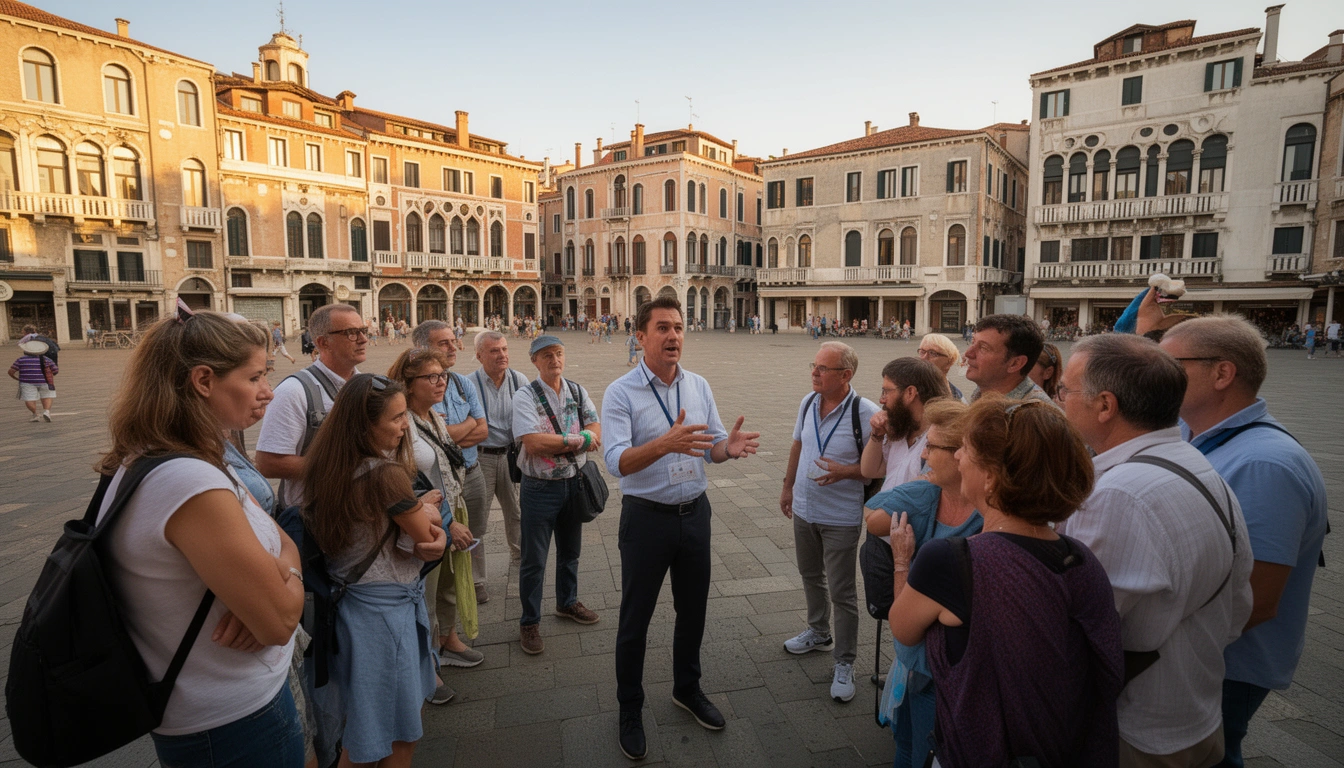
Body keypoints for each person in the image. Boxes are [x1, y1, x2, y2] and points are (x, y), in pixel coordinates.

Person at [96, 310, 305, 767]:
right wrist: (287, 574)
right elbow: (279, 621)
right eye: (255, 377)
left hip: (228, 706)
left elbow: (277, 541)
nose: (268, 391)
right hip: (231, 721)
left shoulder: (182, 456)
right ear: (204, 380)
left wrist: (272, 578)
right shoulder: (188, 480)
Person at [888, 396, 1123, 767]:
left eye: (966, 449)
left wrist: (902, 562)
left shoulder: (951, 561)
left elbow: (903, 630)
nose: (958, 456)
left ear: (992, 476)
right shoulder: (1081, 558)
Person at [1056, 333, 1253, 767]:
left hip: (1135, 731)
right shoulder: (1199, 466)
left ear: (1105, 406)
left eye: (1064, 390)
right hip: (1193, 713)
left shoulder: (1119, 493)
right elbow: (1239, 608)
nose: (1060, 400)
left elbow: (1079, 630)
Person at [1159, 317, 1328, 768]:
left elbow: (1256, 599)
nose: (1157, 376)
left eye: (1171, 365)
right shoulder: (1193, 434)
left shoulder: (1263, 464)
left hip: (1221, 665)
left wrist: (1155, 649)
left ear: (1222, 373)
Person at [602, 296, 760, 759]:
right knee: (635, 620)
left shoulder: (698, 385)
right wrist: (663, 443)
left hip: (695, 514)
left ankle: (686, 688)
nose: (673, 336)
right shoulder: (621, 392)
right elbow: (615, 461)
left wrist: (727, 449)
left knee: (693, 611)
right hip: (646, 519)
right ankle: (629, 707)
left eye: (678, 327)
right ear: (640, 336)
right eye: (663, 328)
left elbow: (711, 445)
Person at [302, 373, 447, 768]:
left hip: (351, 608)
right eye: (397, 418)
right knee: (399, 733)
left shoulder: (327, 465)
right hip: (385, 616)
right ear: (364, 425)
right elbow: (426, 536)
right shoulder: (386, 475)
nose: (405, 427)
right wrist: (428, 510)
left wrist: (418, 510)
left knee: (365, 727)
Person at [863, 399, 982, 768]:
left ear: (963, 455)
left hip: (945, 673)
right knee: (903, 743)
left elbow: (904, 624)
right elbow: (873, 517)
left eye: (932, 447)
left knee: (926, 753)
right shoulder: (929, 493)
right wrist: (920, 483)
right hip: (913, 663)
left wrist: (902, 561)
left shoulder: (987, 520)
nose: (924, 455)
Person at [780, 342, 881, 703]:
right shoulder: (808, 402)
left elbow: (878, 468)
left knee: (842, 591)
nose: (814, 372)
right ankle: (818, 632)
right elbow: (797, 445)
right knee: (810, 575)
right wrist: (787, 486)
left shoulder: (866, 413)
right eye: (814, 365)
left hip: (840, 516)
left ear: (845, 375)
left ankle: (845, 661)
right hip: (805, 508)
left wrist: (846, 471)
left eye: (823, 368)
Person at [388, 348, 481, 688]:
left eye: (443, 375)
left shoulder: (434, 416)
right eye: (431, 377)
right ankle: (426, 666)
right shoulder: (403, 424)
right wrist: (447, 521)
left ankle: (447, 639)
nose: (441, 382)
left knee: (449, 584)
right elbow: (403, 482)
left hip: (451, 507)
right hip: (426, 519)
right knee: (425, 591)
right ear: (409, 383)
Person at [511, 335, 602, 655]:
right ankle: (529, 621)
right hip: (539, 487)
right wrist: (578, 440)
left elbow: (596, 428)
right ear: (534, 360)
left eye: (559, 353)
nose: (554, 360)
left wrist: (576, 438)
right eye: (547, 355)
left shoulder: (576, 391)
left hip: (574, 483)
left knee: (570, 552)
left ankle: (567, 602)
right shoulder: (525, 396)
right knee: (534, 559)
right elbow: (533, 443)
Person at [255, 304, 367, 510]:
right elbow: (268, 463)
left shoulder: (368, 386)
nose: (363, 339)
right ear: (323, 342)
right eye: (351, 333)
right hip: (314, 516)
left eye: (363, 330)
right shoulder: (294, 391)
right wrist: (345, 467)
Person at [413, 321, 492, 604]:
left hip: (471, 473)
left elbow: (483, 430)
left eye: (453, 339)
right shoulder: (414, 389)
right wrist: (467, 424)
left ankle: (473, 582)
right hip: (436, 485)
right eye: (443, 343)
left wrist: (449, 433)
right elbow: (431, 439)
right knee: (440, 541)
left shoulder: (461, 383)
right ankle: (440, 604)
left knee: (474, 533)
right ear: (422, 348)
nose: (453, 346)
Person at [472, 330, 531, 562]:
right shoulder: (468, 384)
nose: (502, 355)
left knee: (516, 511)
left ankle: (521, 556)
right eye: (494, 351)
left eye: (504, 349)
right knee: (478, 517)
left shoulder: (519, 381)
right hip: (481, 457)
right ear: (479, 355)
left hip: (511, 455)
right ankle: (476, 575)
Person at [862, 357, 949, 492]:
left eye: (886, 391)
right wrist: (877, 434)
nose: (882, 400)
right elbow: (870, 471)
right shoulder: (900, 427)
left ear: (910, 393)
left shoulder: (940, 439)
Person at [963, 314, 1052, 404]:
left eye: (984, 348)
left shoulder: (1032, 411)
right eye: (973, 342)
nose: (968, 353)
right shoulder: (986, 391)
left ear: (1015, 363)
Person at [10, 339, 57, 422]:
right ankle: (46, 411)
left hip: (26, 382)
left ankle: (35, 414)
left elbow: (11, 371)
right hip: (44, 382)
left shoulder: (21, 360)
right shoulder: (46, 359)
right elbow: (55, 370)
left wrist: (17, 378)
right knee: (47, 396)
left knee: (29, 399)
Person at [916, 333, 965, 402]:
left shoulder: (957, 397)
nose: (923, 358)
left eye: (932, 353)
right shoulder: (906, 386)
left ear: (949, 362)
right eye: (922, 352)